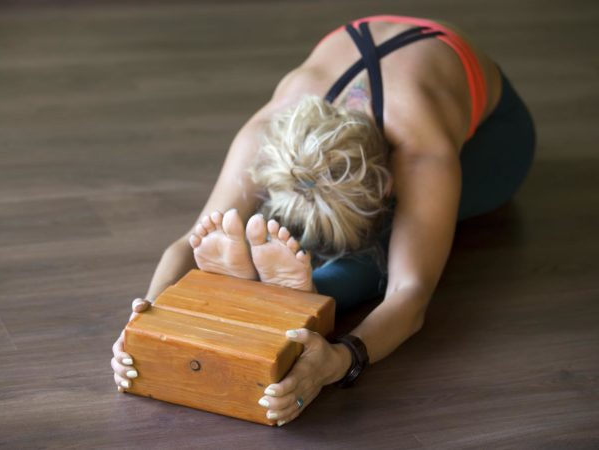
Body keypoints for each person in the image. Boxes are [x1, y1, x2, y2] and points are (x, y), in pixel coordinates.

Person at [110, 15, 536, 426]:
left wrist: (341, 359)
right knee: (285, 212)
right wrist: (143, 325)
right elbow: (191, 241)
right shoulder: (268, 130)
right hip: (373, 111)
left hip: (495, 142)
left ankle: (301, 283)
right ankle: (291, 283)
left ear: (388, 184)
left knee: (386, 240)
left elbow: (410, 295)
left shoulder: (423, 151)